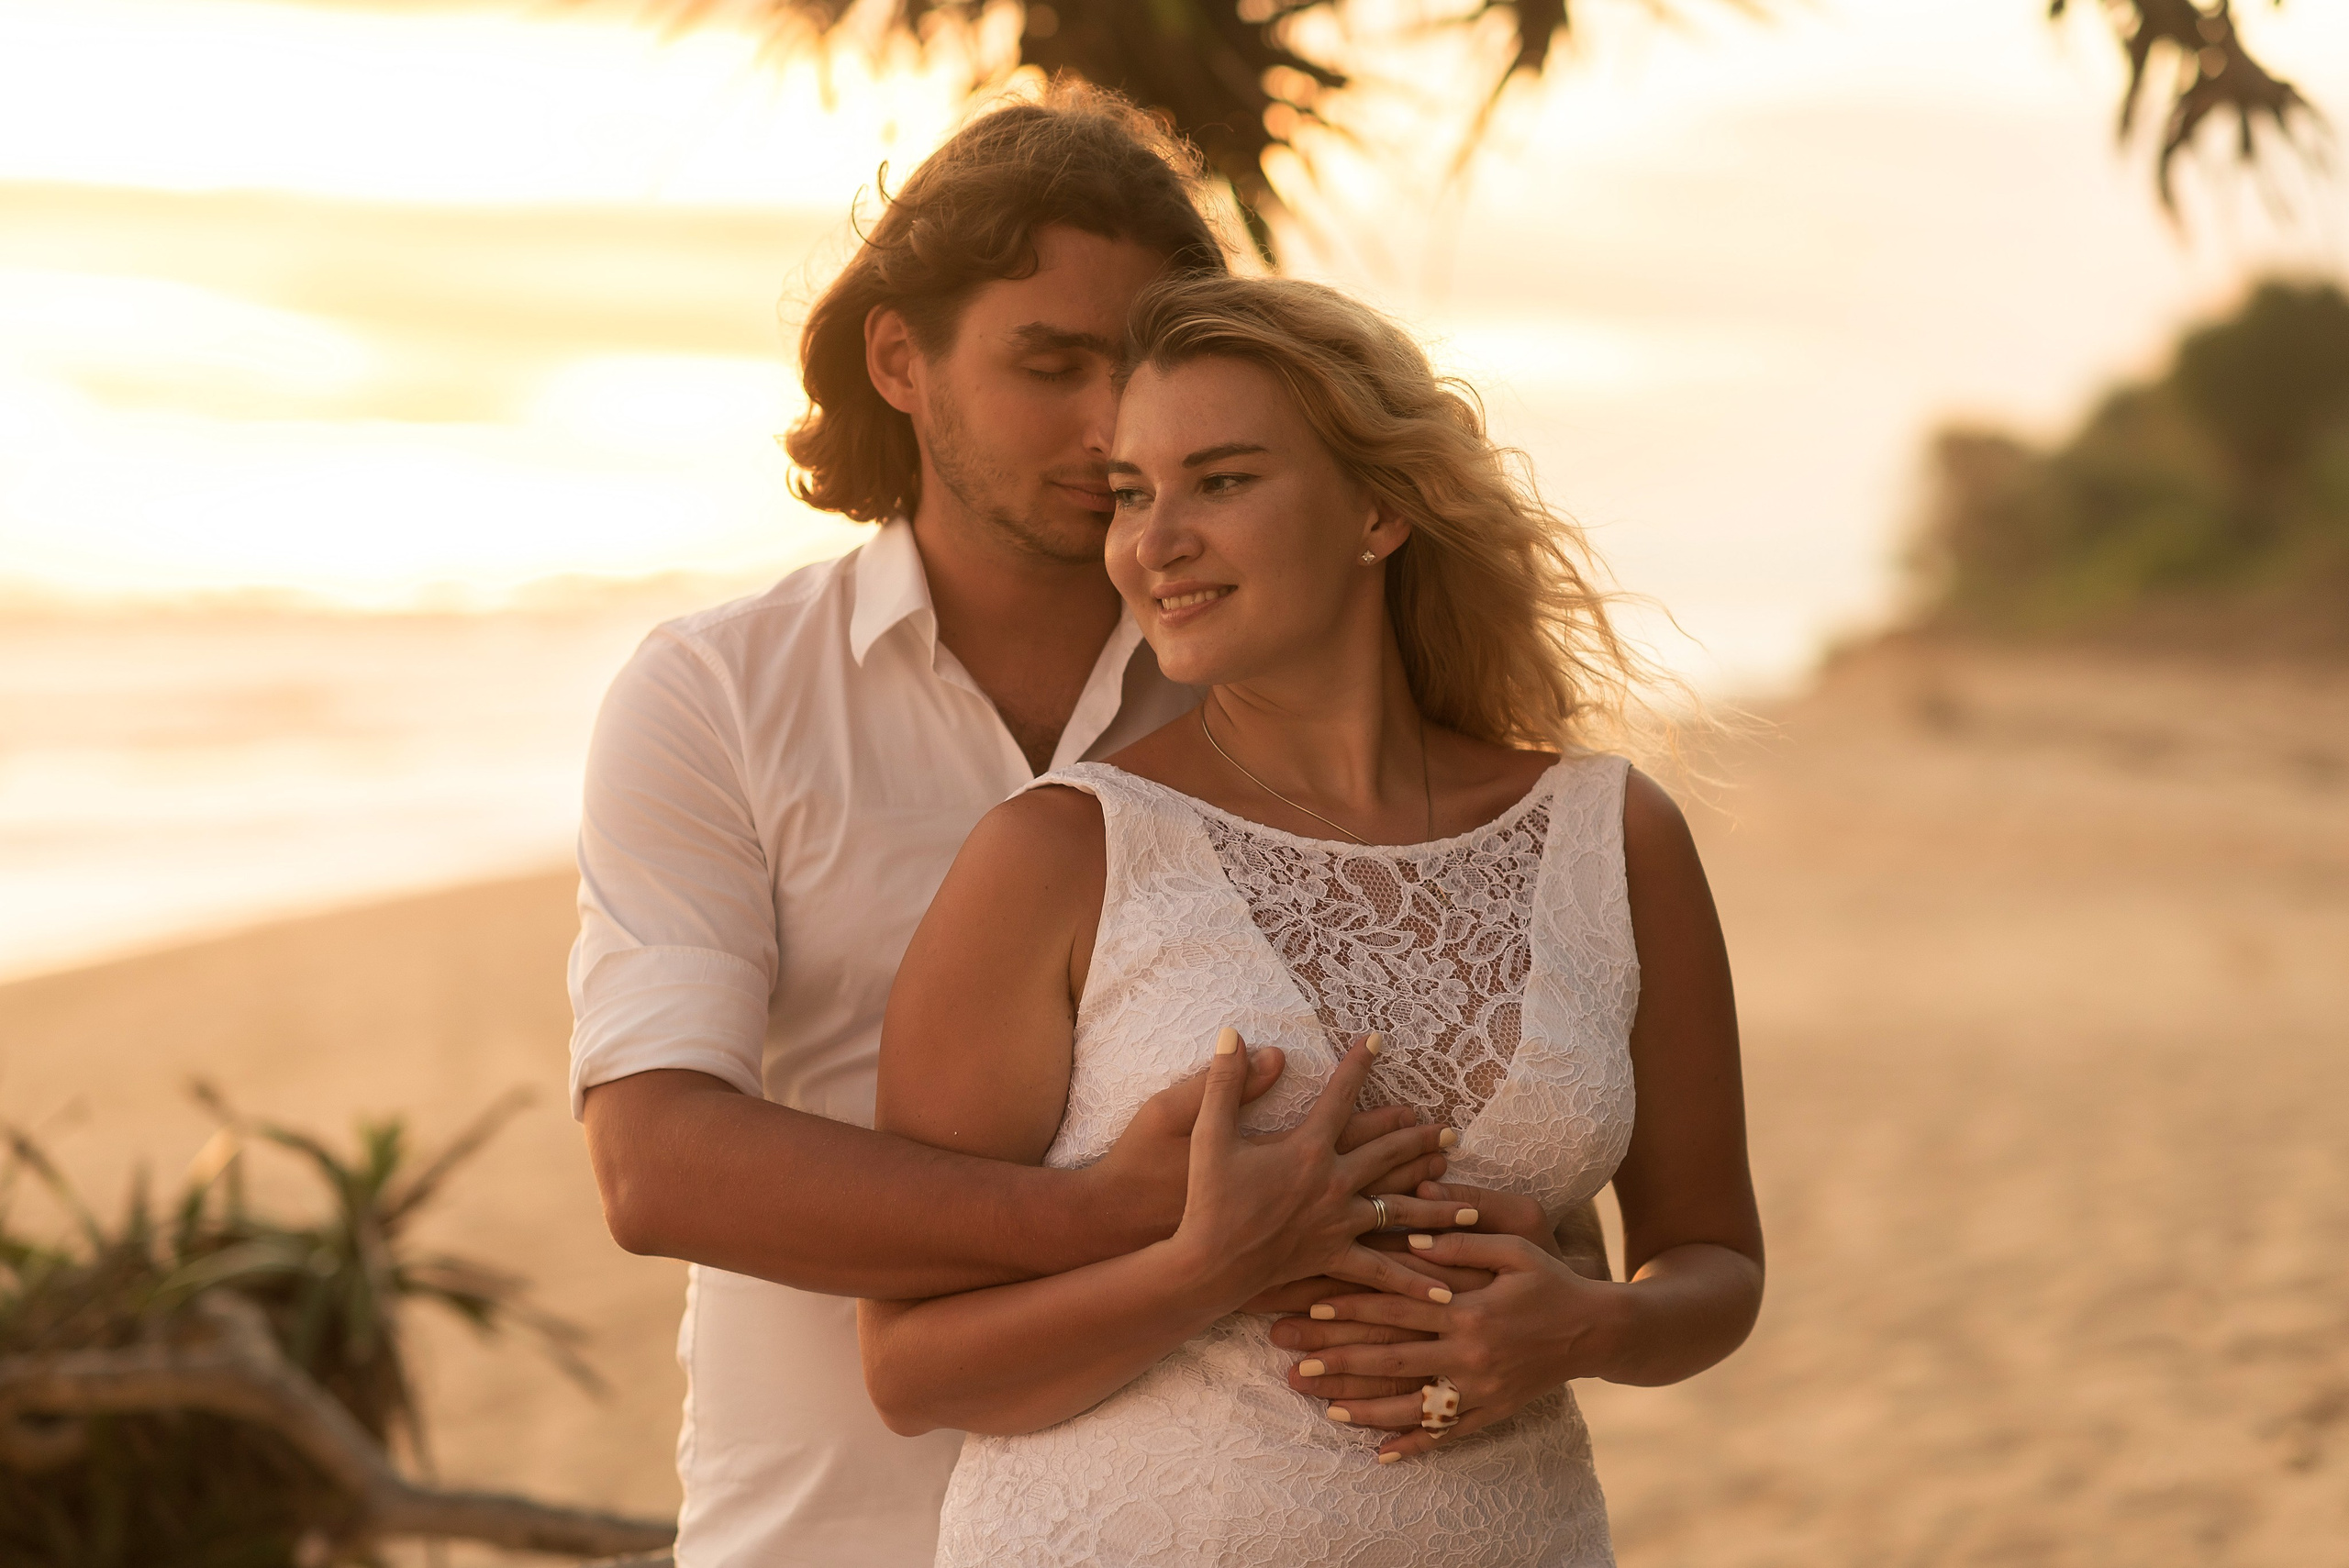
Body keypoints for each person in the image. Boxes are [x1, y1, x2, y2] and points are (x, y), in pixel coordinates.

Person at [568, 88, 1577, 1566]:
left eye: (1142, 363)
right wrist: (1119, 1217)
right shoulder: (718, 695)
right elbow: (654, 1164)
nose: (1112, 423)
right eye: (1052, 363)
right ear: (899, 359)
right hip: (826, 1528)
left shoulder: (1275, 679)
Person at [858, 273, 1766, 1566]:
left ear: (1380, 507)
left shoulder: (1613, 837)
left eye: (1220, 481)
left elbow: (1713, 1259)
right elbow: (908, 1366)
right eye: (1131, 491)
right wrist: (1201, 1270)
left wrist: (1589, 1325)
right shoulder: (1059, 854)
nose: (1152, 540)